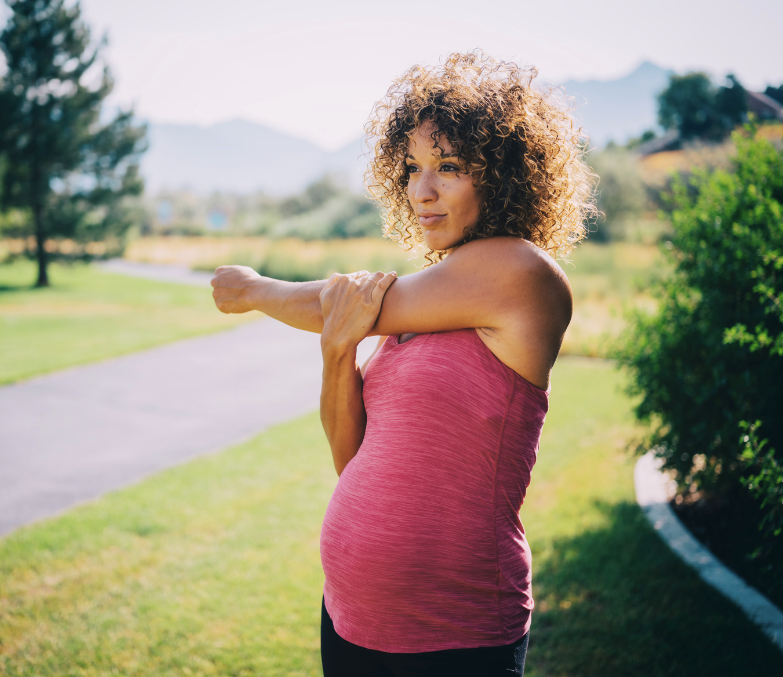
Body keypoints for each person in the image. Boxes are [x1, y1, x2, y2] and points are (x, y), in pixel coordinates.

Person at [211, 51, 596, 676]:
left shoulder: (522, 274)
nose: (422, 190)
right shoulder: (425, 301)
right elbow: (349, 457)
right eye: (412, 168)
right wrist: (337, 353)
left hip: (453, 633)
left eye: (449, 167)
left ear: (502, 174)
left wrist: (256, 289)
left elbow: (339, 300)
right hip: (350, 618)